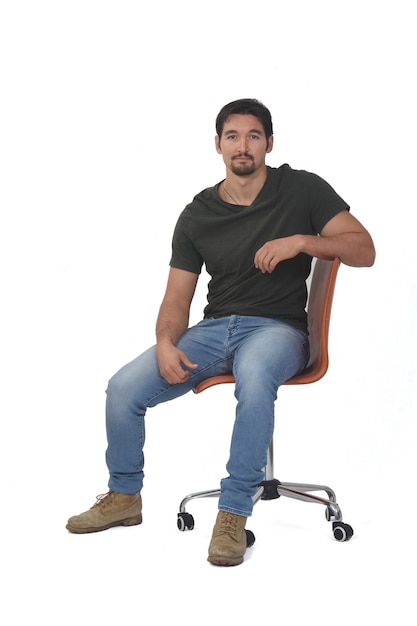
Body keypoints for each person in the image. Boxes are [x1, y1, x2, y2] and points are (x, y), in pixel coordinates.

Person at [66, 98, 375, 566]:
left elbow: (364, 248)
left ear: (269, 143)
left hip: (278, 330)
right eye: (232, 136)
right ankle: (124, 495)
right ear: (218, 145)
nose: (243, 146)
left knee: (254, 377)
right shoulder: (198, 213)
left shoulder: (303, 190)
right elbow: (176, 299)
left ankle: (233, 512)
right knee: (122, 388)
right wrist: (168, 342)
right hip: (214, 330)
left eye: (254, 136)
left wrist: (301, 242)